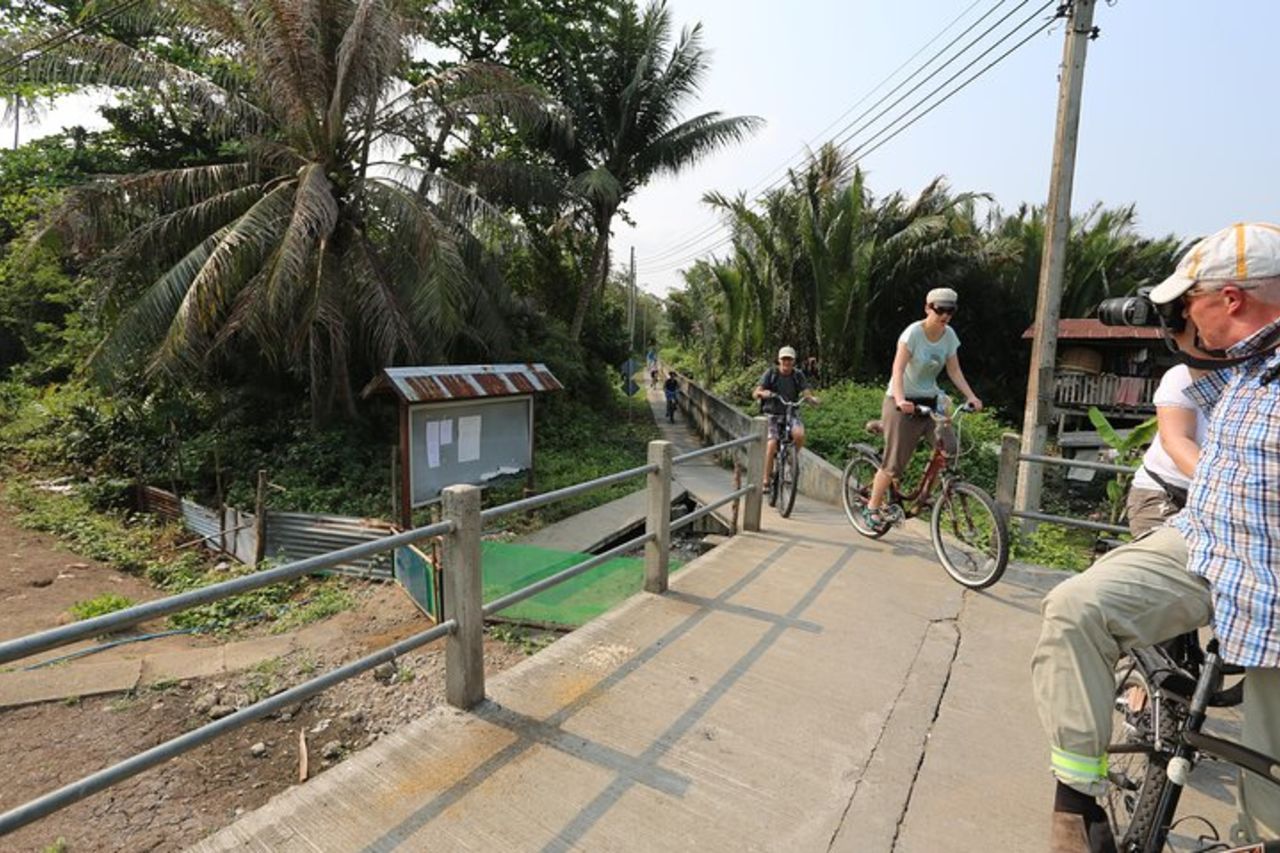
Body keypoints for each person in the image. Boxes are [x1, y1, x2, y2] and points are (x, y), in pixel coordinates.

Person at [1033, 222, 1280, 852]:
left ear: (1230, 301)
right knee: (1074, 609)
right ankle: (1076, 808)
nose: (1182, 319)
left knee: (1269, 788)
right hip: (1202, 541)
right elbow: (1187, 388)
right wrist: (1177, 322)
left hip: (1272, 574)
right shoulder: (1242, 362)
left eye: (1188, 301)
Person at [863, 287, 982, 529]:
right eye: (940, 310)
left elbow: (954, 370)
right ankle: (872, 508)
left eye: (950, 311)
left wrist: (971, 396)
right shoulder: (913, 334)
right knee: (894, 464)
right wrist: (899, 400)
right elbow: (897, 370)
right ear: (928, 308)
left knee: (950, 448)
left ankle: (925, 495)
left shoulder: (949, 336)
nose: (945, 315)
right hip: (903, 402)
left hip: (930, 401)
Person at [1125, 321, 1210, 535]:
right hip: (1165, 490)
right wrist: (1228, 485)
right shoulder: (1184, 374)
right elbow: (1176, 441)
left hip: (1213, 497)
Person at [752, 346, 819, 489]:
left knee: (799, 435)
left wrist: (811, 399)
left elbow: (806, 392)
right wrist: (764, 394)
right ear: (779, 360)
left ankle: (790, 460)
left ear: (793, 361)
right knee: (772, 444)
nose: (786, 362)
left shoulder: (797, 375)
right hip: (773, 414)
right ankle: (766, 479)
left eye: (789, 359)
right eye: (784, 359)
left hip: (791, 413)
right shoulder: (771, 373)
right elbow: (756, 392)